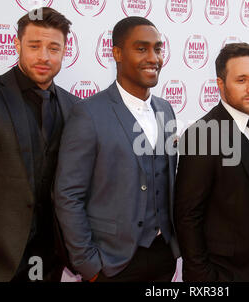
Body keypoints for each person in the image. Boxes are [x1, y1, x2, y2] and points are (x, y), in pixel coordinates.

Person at [54, 16, 180, 282]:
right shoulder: (88, 114)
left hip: (163, 256)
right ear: (117, 53)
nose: (153, 57)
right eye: (141, 48)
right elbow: (68, 195)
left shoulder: (166, 110)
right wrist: (89, 265)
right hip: (112, 264)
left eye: (157, 48)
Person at [0, 7, 77, 282]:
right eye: (34, 46)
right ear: (16, 44)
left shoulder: (74, 107)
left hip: (49, 262)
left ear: (65, 50)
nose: (44, 56)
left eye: (53, 48)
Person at [174, 43, 249, 282]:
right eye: (241, 80)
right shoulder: (202, 134)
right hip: (222, 273)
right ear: (220, 84)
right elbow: (187, 216)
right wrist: (204, 278)